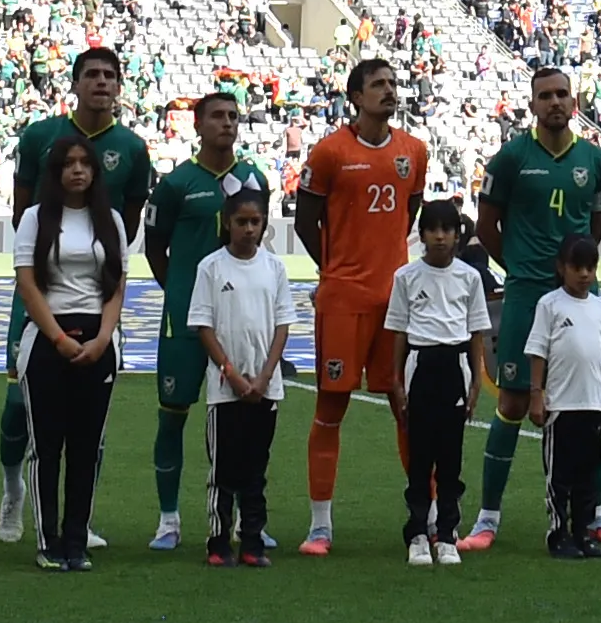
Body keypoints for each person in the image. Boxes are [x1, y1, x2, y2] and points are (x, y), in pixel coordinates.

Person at [0, 47, 151, 548]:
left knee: (88, 419)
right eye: (92, 75)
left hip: (96, 296)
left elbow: (127, 221)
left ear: (119, 85)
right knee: (18, 405)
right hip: (42, 290)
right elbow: (24, 209)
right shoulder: (40, 136)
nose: (101, 82)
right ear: (76, 83)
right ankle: (13, 490)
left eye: (109, 75)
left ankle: (80, 521)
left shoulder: (133, 148)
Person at [293, 56, 429, 558]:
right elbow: (306, 221)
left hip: (396, 301)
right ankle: (320, 526)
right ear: (355, 96)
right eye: (378, 84)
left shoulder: (414, 151)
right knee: (331, 408)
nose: (389, 91)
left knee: (406, 406)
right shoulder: (330, 151)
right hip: (344, 300)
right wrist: (335, 269)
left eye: (393, 83)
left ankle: (427, 517)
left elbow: (408, 213)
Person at [480, 64, 601, 551]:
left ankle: (594, 515)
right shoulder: (511, 158)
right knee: (514, 402)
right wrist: (519, 266)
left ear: (573, 102)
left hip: (580, 296)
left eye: (562, 94)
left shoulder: (594, 159)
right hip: (526, 293)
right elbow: (485, 227)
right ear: (533, 104)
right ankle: (487, 518)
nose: (555, 102)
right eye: (546, 96)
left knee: (587, 406)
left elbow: (595, 224)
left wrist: (576, 270)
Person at [142, 88, 270, 552]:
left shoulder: (254, 178)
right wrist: (182, 293)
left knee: (243, 424)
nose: (227, 123)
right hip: (184, 320)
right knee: (172, 417)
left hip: (237, 320)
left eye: (233, 116)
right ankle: (168, 519)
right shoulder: (176, 184)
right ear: (197, 125)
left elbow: (256, 243)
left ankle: (245, 521)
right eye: (217, 116)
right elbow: (155, 247)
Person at [12, 132, 128, 570]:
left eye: (84, 163)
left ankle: (77, 540)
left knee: (86, 447)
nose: (77, 170)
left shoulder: (110, 220)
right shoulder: (35, 218)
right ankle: (49, 541)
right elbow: (27, 284)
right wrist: (59, 339)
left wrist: (102, 339)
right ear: (55, 171)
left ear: (95, 170)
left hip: (98, 340)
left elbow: (116, 285)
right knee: (47, 446)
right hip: (47, 339)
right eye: (68, 163)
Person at [190, 186, 293, 566]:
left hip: (265, 388)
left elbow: (282, 325)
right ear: (227, 223)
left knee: (255, 470)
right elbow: (203, 326)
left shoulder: (274, 268)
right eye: (242, 222)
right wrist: (231, 373)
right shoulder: (211, 267)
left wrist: (264, 377)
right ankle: (218, 542)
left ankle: (252, 541)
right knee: (223, 470)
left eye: (255, 222)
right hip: (226, 391)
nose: (249, 229)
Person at [384, 197, 490, 564]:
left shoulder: (469, 277)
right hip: (421, 364)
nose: (440, 237)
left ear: (458, 235)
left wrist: (476, 382)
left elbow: (476, 333)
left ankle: (446, 534)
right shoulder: (406, 276)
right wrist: (397, 381)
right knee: (420, 457)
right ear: (422, 234)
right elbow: (399, 331)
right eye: (433, 230)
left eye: (447, 229)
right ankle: (417, 534)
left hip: (454, 366)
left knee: (450, 458)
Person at [530, 239, 601, 559]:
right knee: (560, 476)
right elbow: (537, 351)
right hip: (561, 406)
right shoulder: (550, 305)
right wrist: (537, 394)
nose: (584, 274)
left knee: (587, 476)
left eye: (590, 268)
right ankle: (558, 534)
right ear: (561, 268)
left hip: (592, 404)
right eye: (577, 267)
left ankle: (583, 532)